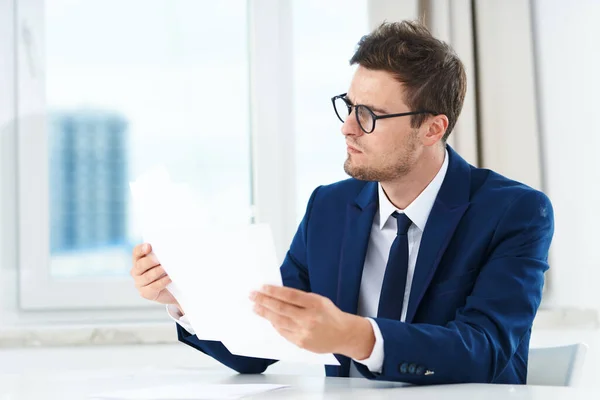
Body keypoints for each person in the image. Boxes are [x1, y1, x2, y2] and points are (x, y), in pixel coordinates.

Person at [131, 20, 553, 385]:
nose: (348, 128)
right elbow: (258, 347)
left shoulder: (514, 213)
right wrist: (184, 298)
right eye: (349, 107)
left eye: (369, 114)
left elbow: (484, 349)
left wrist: (354, 335)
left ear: (431, 128)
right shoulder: (328, 208)